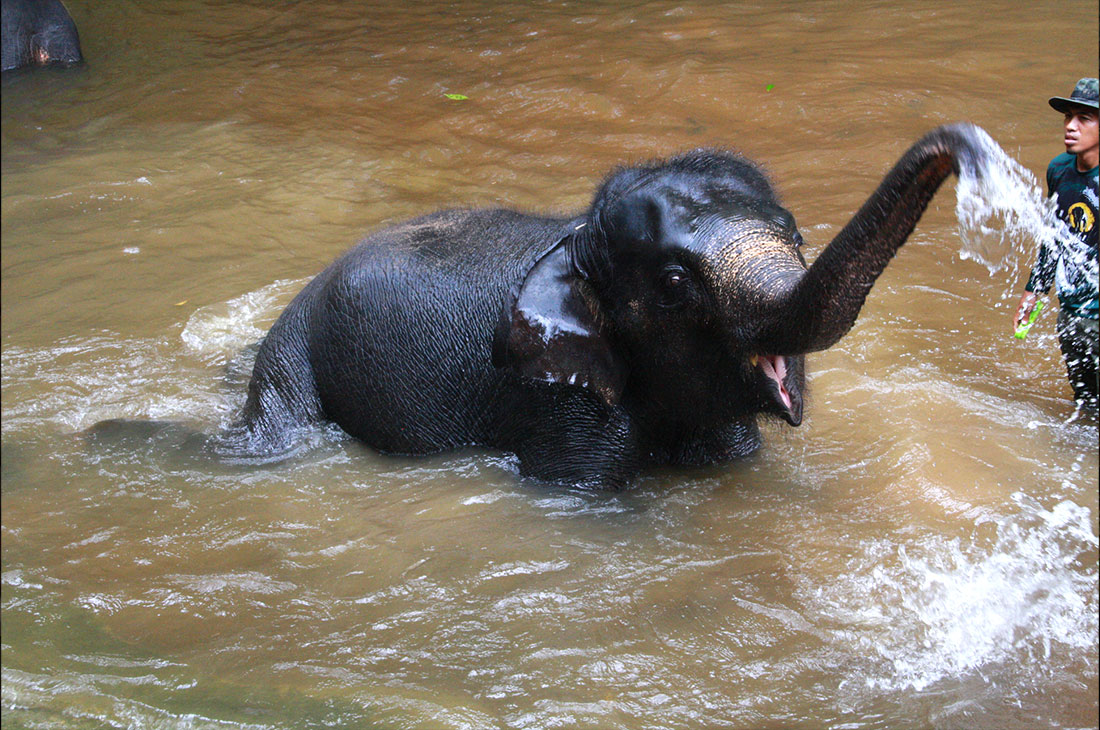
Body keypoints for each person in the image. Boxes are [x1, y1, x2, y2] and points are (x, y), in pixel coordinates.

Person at [1014, 77, 1099, 411]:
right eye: (1068, 117)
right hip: (1072, 314)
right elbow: (1055, 236)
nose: (1071, 126)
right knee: (1087, 407)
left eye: (1084, 118)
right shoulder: (1059, 170)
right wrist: (1035, 289)